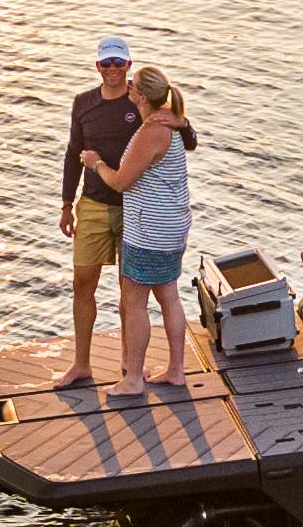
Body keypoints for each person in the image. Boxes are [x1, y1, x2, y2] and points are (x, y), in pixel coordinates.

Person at [53, 35, 197, 389]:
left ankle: (129, 369)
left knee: (130, 294)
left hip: (136, 216)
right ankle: (82, 364)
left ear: (129, 66)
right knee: (83, 284)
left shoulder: (151, 111)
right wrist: (67, 203)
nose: (114, 69)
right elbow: (73, 153)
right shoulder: (84, 104)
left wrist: (182, 122)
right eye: (107, 63)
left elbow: (188, 141)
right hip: (96, 206)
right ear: (97, 66)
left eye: (120, 63)